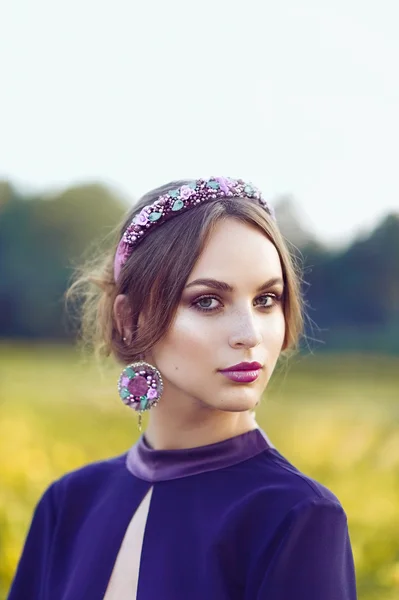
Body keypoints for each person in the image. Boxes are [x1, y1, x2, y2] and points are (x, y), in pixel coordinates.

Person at [8, 176, 357, 599]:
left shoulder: (297, 514)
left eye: (266, 300)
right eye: (207, 301)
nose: (249, 334)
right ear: (131, 318)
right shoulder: (68, 505)